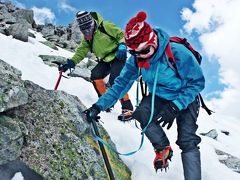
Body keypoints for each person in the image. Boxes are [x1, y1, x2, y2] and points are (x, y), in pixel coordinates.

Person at [85, 11, 204, 180]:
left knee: (187, 140)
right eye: (134, 53)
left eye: (144, 50)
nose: (139, 56)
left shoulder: (177, 52)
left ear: (153, 41)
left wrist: (176, 105)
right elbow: (120, 85)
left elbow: (197, 83)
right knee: (142, 113)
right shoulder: (137, 59)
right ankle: (162, 148)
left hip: (185, 95)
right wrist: (99, 106)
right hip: (159, 95)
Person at [60, 11, 134, 120]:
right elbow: (81, 51)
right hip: (105, 60)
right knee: (95, 75)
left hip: (117, 55)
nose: (87, 34)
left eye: (89, 30)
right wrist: (72, 63)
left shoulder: (105, 26)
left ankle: (127, 107)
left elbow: (120, 34)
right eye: (85, 32)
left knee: (116, 80)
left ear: (92, 24)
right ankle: (105, 102)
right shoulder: (87, 39)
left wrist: (122, 45)